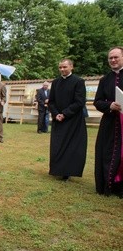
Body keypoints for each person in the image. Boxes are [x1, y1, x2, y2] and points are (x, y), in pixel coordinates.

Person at [48, 58, 87, 181]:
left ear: (71, 67)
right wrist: (56, 114)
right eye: (60, 67)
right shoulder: (55, 82)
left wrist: (64, 114)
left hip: (73, 120)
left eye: (64, 67)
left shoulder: (78, 81)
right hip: (58, 119)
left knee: (71, 146)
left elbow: (79, 101)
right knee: (57, 145)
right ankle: (57, 169)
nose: (62, 69)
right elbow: (51, 101)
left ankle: (67, 172)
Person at [94, 46, 123, 196]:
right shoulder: (105, 80)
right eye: (110, 58)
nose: (112, 60)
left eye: (116, 57)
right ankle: (107, 186)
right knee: (106, 153)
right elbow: (97, 101)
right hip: (110, 122)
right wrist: (109, 105)